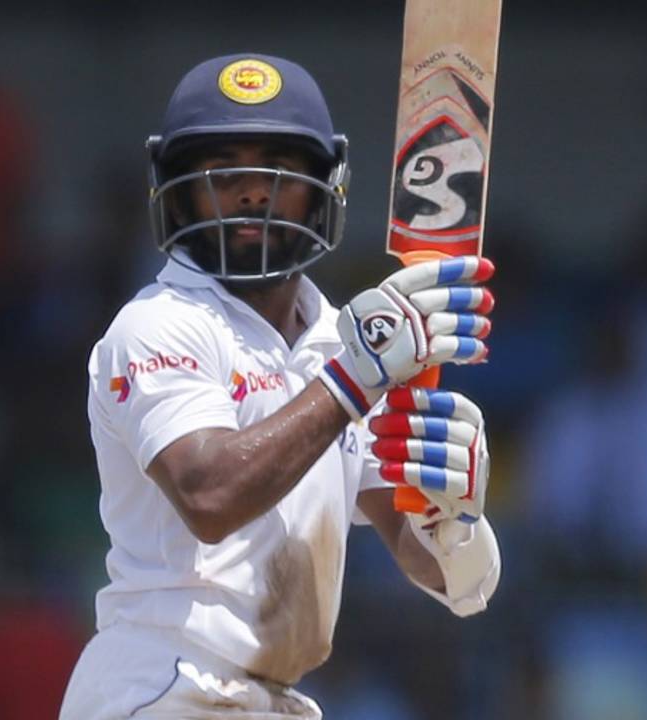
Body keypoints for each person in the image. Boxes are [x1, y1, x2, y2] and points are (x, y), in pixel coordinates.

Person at [60, 54, 500, 719]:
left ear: (325, 188)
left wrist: (453, 523)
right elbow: (210, 494)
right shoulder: (158, 325)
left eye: (281, 172)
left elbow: (443, 576)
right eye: (222, 172)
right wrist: (356, 377)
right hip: (161, 686)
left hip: (271, 700)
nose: (251, 193)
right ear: (174, 191)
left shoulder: (342, 342)